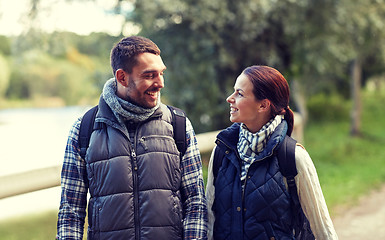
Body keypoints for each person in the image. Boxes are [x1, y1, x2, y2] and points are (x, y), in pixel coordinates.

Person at [56, 36, 208, 240]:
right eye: (149, 75)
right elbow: (70, 212)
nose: (160, 83)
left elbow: (196, 203)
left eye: (161, 73)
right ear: (122, 77)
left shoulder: (178, 124)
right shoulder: (84, 128)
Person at [205, 65, 338, 240]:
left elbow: (322, 229)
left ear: (263, 105)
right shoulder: (222, 151)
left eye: (240, 93)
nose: (230, 99)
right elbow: (209, 218)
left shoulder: (294, 157)